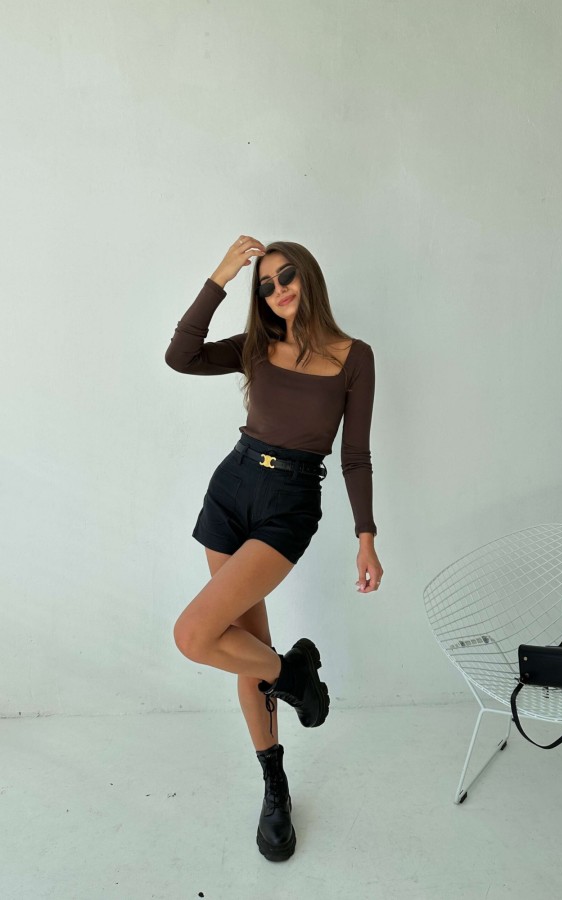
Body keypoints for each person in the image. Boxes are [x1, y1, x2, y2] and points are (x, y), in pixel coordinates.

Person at [165, 235, 383, 862]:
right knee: (246, 652)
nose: (278, 290)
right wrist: (222, 274)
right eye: (265, 285)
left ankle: (291, 675)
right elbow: (181, 357)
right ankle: (276, 781)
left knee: (193, 635)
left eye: (286, 277)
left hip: (290, 503)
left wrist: (366, 537)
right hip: (231, 489)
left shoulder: (355, 358)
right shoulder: (257, 347)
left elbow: (356, 455)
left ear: (308, 276)